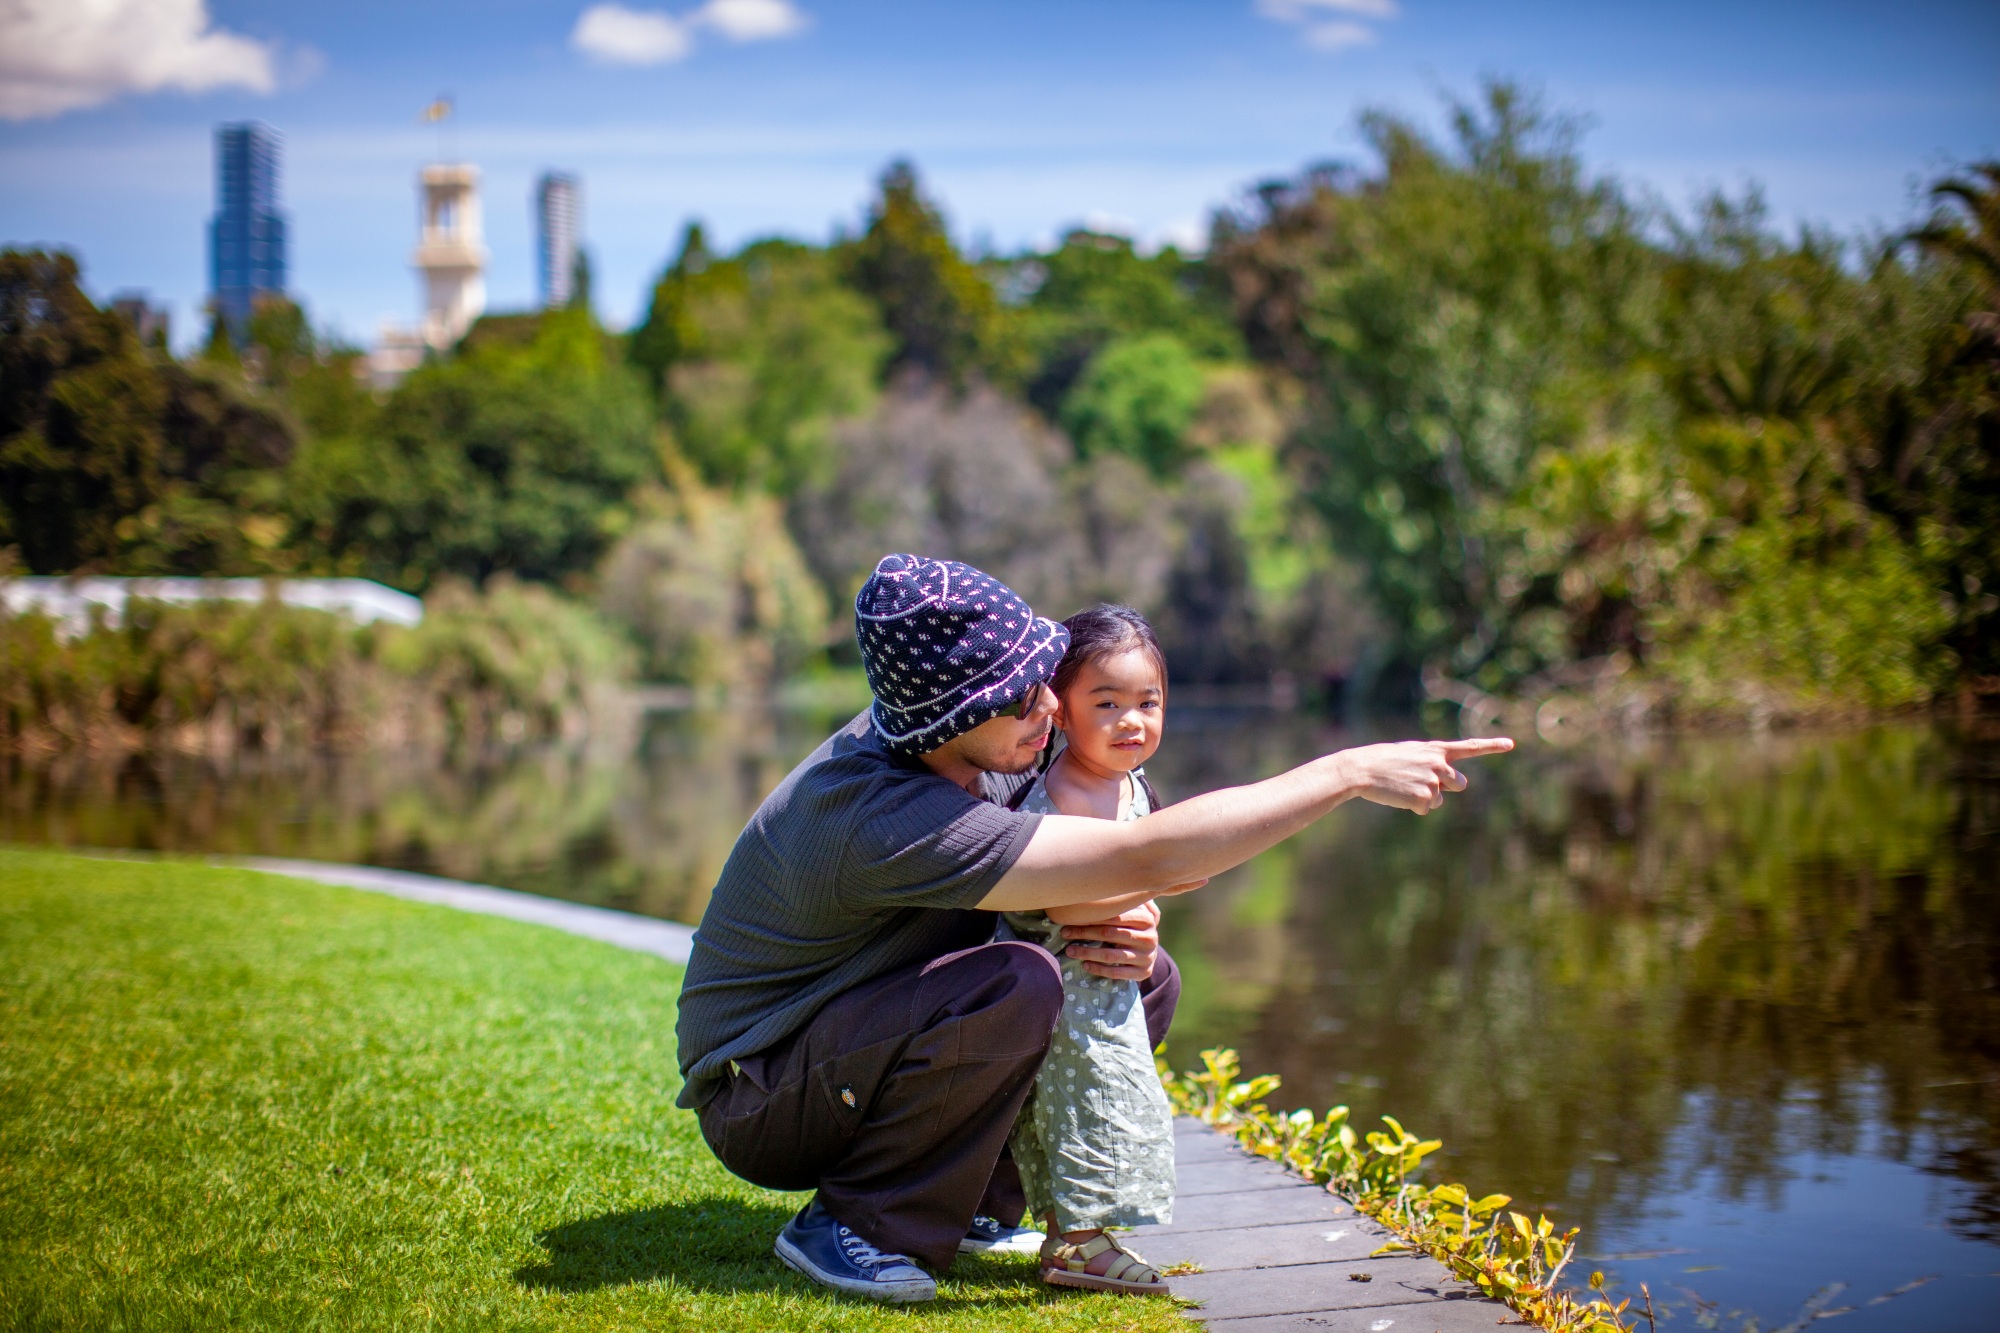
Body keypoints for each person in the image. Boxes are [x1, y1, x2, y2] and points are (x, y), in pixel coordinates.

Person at [674, 553, 1512, 1303]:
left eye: (1043, 675)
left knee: (1135, 971)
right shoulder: (883, 811)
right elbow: (1146, 852)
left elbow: (1130, 857)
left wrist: (1130, 907)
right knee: (1017, 982)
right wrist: (1347, 770)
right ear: (951, 717)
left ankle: (977, 1204)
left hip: (846, 1043)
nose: (1048, 703)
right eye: (1019, 697)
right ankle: (856, 1224)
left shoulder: (988, 742)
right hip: (762, 1093)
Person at [1002, 604, 1178, 1295]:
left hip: (1105, 984)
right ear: (1063, 711)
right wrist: (1157, 884)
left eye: (1147, 702)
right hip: (1062, 986)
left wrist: (1148, 909)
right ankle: (1075, 1243)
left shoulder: (1130, 786)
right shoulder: (1065, 791)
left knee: (1116, 1098)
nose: (1131, 721)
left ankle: (1085, 1235)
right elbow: (1064, 899)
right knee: (1080, 1105)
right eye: (1106, 703)